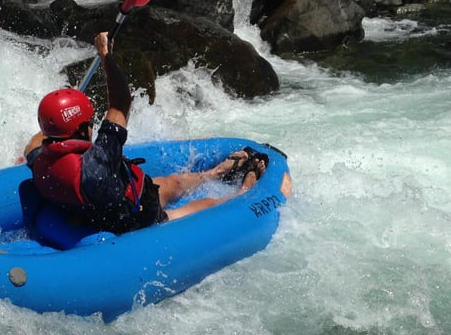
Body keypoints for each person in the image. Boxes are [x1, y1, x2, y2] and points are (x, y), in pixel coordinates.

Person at [22, 31, 267, 234]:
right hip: (134, 216)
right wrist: (106, 56)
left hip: (103, 204)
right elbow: (120, 102)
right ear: (82, 129)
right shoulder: (97, 163)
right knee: (203, 205)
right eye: (89, 122)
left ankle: (216, 173)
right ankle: (245, 191)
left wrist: (55, 123)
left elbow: (36, 141)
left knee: (173, 182)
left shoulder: (38, 157)